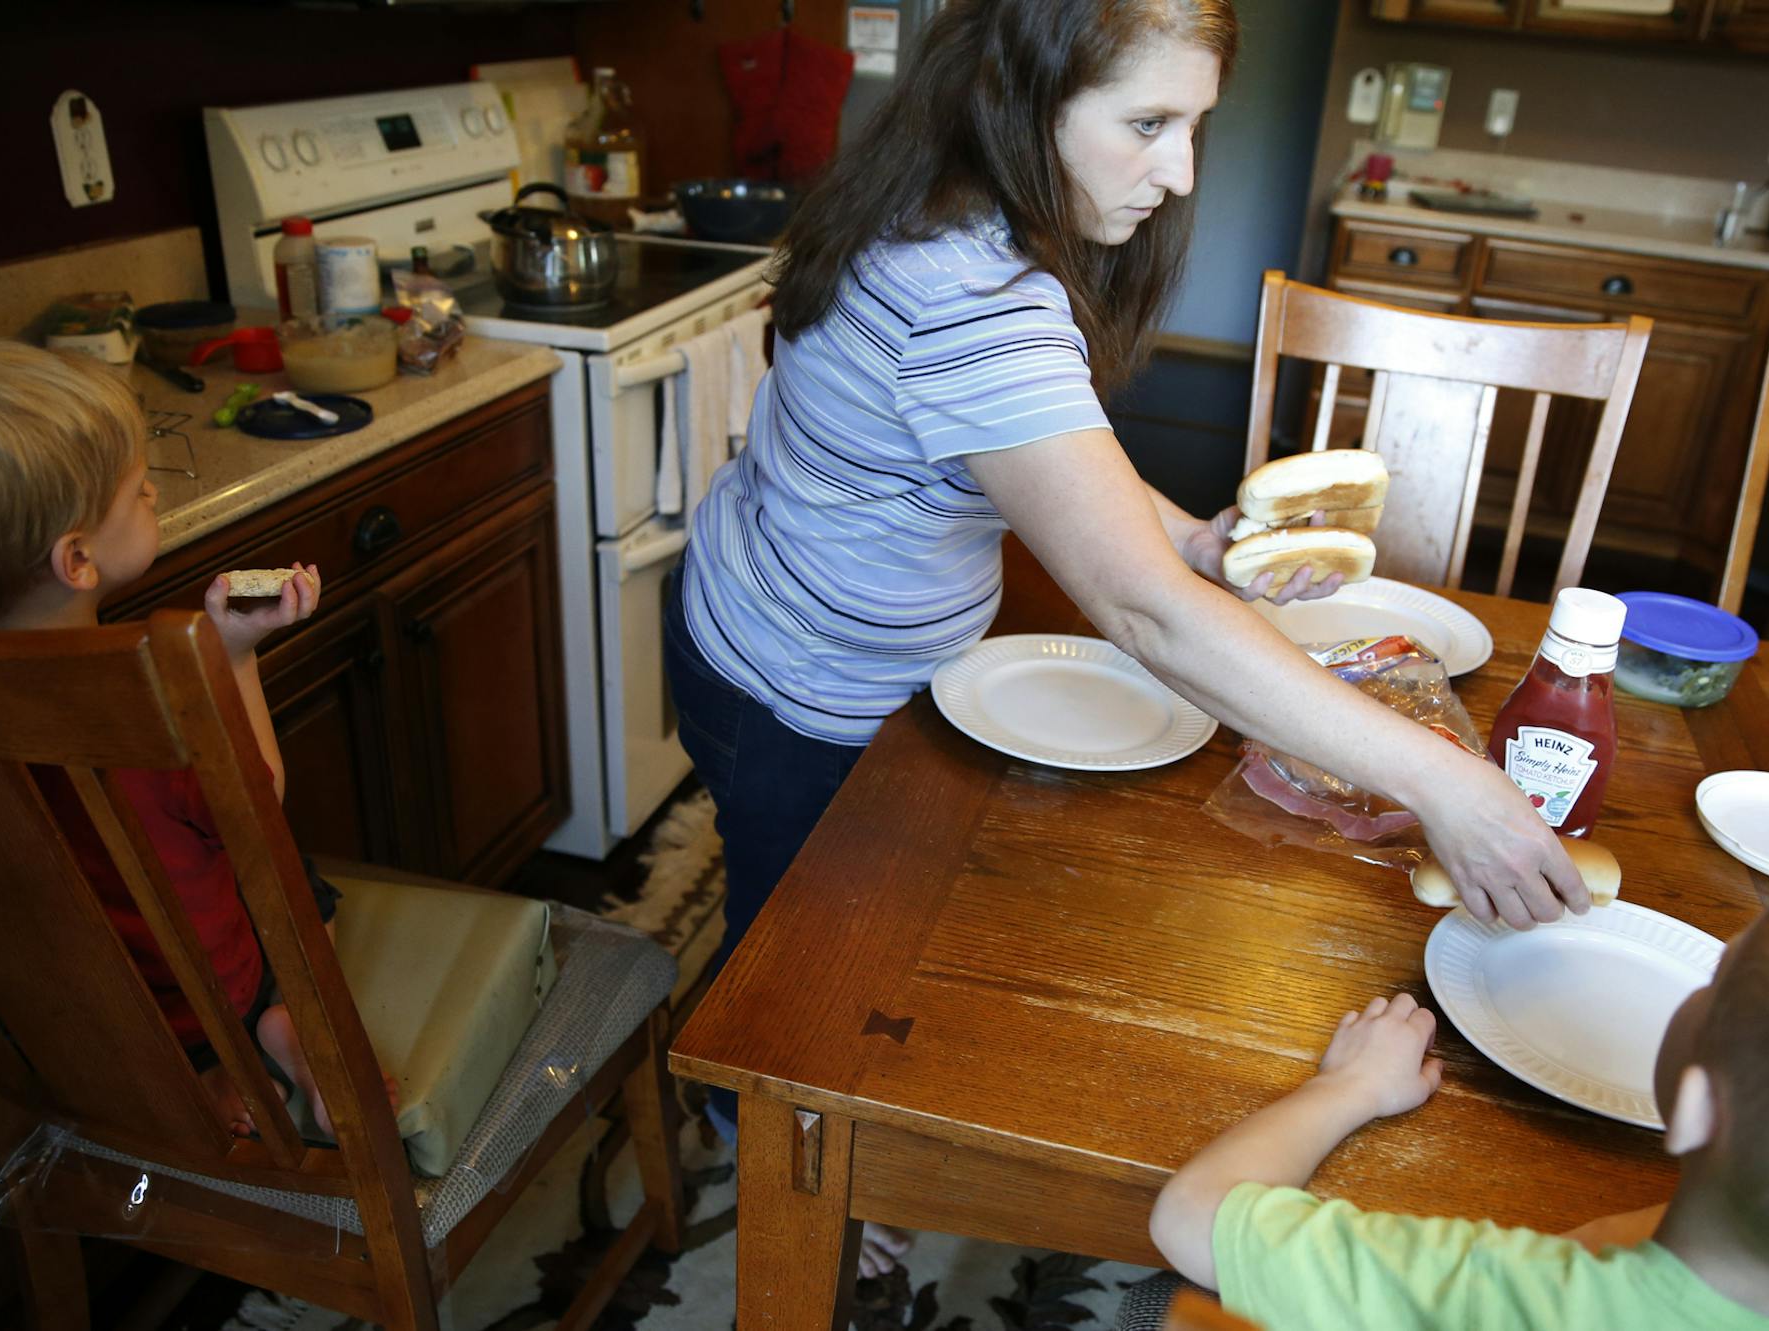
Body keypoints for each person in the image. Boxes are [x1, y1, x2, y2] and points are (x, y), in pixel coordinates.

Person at [667, 0, 1589, 1254]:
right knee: (795, 954)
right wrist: (1446, 780)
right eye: (1148, 123)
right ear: (1020, 97)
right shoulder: (971, 293)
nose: (1181, 172)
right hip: (799, 683)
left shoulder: (932, 194)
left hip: (750, 601)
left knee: (822, 904)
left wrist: (1198, 541)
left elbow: (1055, 452)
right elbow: (1145, 612)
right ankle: (763, 1135)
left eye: (1196, 125)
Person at [0, 338, 382, 1141]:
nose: (155, 493)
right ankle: (279, 1027)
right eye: (137, 492)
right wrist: (232, 653)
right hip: (203, 986)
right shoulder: (141, 697)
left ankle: (202, 1074)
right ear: (77, 558)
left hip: (64, 1020)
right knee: (301, 883)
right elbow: (257, 804)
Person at [1147, 855, 1769, 1330]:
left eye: (1721, 975)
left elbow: (1192, 1214)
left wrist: (1349, 1088)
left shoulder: (1510, 1300)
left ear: (1701, 1108)